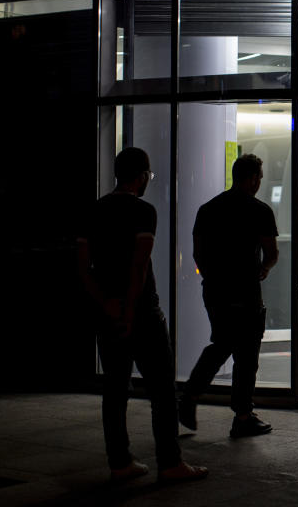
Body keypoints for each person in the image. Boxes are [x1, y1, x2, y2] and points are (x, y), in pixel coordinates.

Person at [76, 147, 207, 483]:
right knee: (162, 390)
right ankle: (170, 462)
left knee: (115, 390)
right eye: (148, 174)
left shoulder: (92, 210)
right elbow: (138, 264)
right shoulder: (143, 211)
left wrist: (108, 305)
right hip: (143, 312)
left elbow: (83, 267)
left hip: (106, 313)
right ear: (141, 176)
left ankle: (119, 462)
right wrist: (129, 309)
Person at [178, 154, 278, 439]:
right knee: (246, 355)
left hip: (215, 290)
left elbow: (198, 253)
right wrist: (264, 268)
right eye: (258, 177)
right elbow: (271, 254)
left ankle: (190, 395)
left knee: (221, 344)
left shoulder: (208, 209)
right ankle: (242, 416)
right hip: (246, 291)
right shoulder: (260, 210)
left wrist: (212, 276)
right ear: (254, 178)